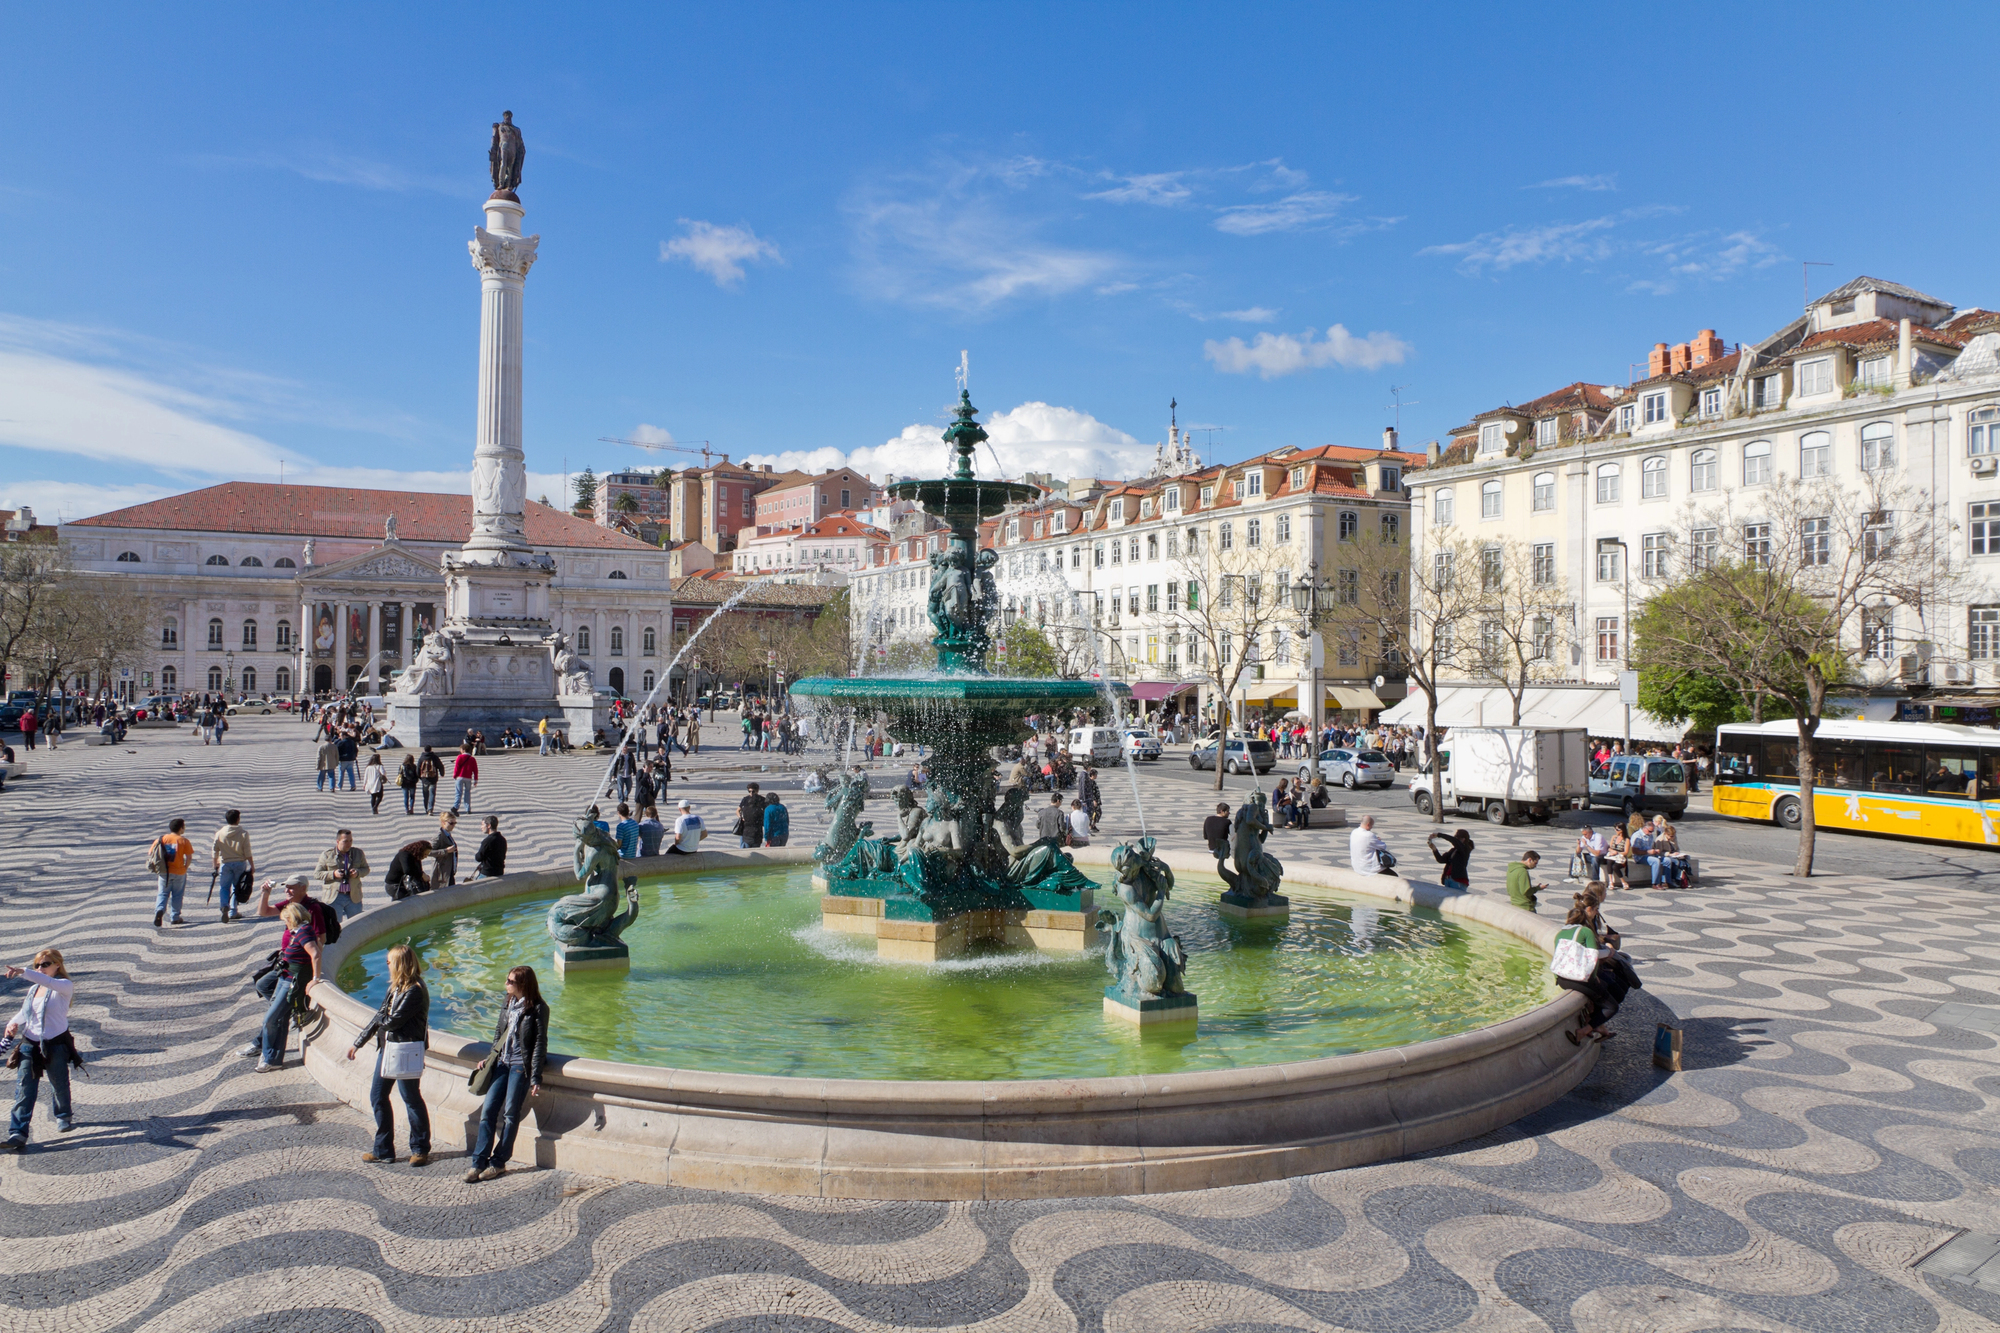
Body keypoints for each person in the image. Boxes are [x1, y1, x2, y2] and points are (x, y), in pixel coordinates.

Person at [347, 943, 431, 1166]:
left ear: (399, 964)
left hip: (404, 1049)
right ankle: (383, 1149)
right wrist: (359, 1042)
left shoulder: (414, 990)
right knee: (378, 1096)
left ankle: (420, 1148)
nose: (386, 964)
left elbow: (393, 1021)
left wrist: (382, 1023)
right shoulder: (395, 988)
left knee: (411, 1098)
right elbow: (380, 1016)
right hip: (388, 1048)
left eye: (389, 961)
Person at [465, 965, 548, 1183]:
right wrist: (490, 1056)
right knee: (488, 1111)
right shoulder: (507, 1002)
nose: (506, 984)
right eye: (507, 979)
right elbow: (498, 1032)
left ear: (523, 984)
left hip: (521, 1066)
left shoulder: (538, 1008)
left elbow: (540, 1044)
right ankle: (478, 1162)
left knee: (511, 1114)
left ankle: (498, 1162)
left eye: (510, 981)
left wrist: (536, 1077)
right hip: (502, 1063)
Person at [3, 948, 79, 1149]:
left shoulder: (63, 985)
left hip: (55, 1043)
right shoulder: (33, 989)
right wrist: (12, 1023)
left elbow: (49, 982)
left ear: (57, 965)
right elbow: (25, 1012)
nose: (40, 968)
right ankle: (17, 1133)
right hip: (30, 1044)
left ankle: (63, 1115)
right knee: (24, 1090)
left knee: (59, 1083)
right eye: (38, 964)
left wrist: (24, 971)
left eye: (45, 964)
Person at [259, 900, 321, 1072]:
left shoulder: (304, 932)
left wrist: (315, 978)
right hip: (284, 977)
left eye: (286, 920)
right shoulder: (296, 931)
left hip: (292, 981)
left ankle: (267, 1055)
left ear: (292, 918)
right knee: (278, 1017)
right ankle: (273, 1058)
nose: (285, 923)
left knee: (269, 1020)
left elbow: (315, 953)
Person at [1555, 902, 1616, 1045]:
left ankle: (1599, 1026)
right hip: (1579, 978)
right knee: (1611, 1006)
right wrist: (1609, 953)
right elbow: (1593, 957)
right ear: (1584, 920)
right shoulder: (1585, 931)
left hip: (1562, 978)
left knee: (1603, 990)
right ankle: (1583, 1031)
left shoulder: (1560, 933)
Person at [316, 829, 370, 919]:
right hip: (334, 896)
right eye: (345, 841)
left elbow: (366, 869)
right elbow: (317, 874)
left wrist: (357, 873)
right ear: (338, 841)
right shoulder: (327, 855)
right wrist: (333, 874)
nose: (349, 844)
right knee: (334, 926)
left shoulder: (358, 853)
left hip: (353, 895)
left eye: (350, 841)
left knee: (356, 924)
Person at [212, 809, 255, 925]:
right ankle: (233, 911)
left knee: (224, 887)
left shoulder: (219, 833)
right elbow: (247, 851)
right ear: (237, 819)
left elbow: (215, 849)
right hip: (239, 863)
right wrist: (252, 865)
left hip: (225, 863)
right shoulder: (243, 833)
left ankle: (223, 905)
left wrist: (215, 863)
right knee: (237, 887)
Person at [151, 818, 194, 929]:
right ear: (181, 828)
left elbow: (151, 852)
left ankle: (159, 910)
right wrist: (185, 867)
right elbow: (189, 857)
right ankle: (175, 917)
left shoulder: (161, 839)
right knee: (177, 895)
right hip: (179, 872)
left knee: (162, 893)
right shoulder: (183, 841)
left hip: (164, 871)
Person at [1428, 828, 1474, 892]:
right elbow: (1441, 860)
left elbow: (1454, 841)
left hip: (1458, 881)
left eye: (1457, 837)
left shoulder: (1465, 850)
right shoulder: (1453, 850)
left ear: (1463, 839)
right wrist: (1434, 849)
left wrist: (1439, 835)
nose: (1455, 838)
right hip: (1448, 879)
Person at [431, 811, 460, 886]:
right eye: (451, 823)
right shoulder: (439, 836)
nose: (453, 825)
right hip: (442, 873)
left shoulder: (448, 834)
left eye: (455, 823)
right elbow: (429, 852)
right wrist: (446, 851)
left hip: (449, 870)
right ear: (443, 822)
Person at [737, 783, 766, 850]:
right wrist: (741, 818)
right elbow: (738, 810)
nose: (751, 793)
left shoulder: (762, 800)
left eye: (753, 791)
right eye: (749, 791)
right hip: (746, 829)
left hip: (756, 829)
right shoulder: (745, 799)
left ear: (757, 790)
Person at [450, 744, 479, 813]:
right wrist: (475, 779)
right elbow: (475, 770)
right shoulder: (472, 759)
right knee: (467, 793)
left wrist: (454, 775)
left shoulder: (459, 757)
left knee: (458, 793)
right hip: (468, 778)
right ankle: (468, 809)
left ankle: (456, 807)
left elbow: (456, 768)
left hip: (460, 777)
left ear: (463, 750)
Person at [416, 746, 443, 815]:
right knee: (432, 794)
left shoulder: (422, 757)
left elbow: (418, 768)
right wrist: (442, 773)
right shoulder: (434, 757)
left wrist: (419, 777)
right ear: (431, 750)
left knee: (425, 795)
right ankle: (430, 809)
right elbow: (440, 765)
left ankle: (426, 808)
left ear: (424, 750)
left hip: (424, 779)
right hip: (433, 779)